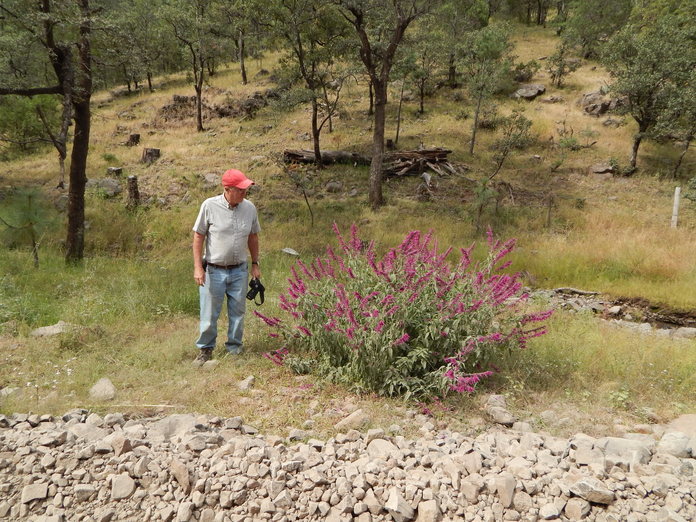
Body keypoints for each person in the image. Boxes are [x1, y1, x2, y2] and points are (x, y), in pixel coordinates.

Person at [191, 168, 261, 365]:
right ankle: (205, 349)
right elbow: (198, 236)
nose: (244, 193)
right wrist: (198, 267)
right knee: (209, 312)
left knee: (238, 312)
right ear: (227, 189)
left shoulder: (250, 208)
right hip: (213, 269)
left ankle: (234, 349)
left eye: (245, 189)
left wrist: (255, 264)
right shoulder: (209, 206)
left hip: (239, 269)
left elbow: (253, 236)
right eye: (240, 190)